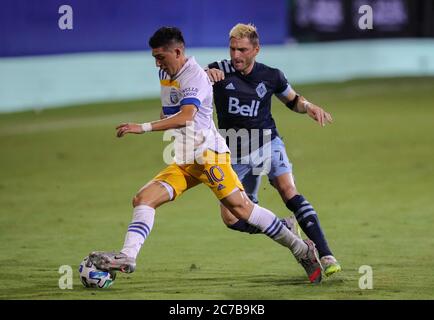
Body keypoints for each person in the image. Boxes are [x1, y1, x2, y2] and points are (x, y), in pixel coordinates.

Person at [89, 26, 323, 284]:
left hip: (209, 156)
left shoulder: (194, 77)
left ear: (177, 52)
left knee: (242, 210)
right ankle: (128, 256)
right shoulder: (166, 74)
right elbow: (170, 112)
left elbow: (187, 116)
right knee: (142, 199)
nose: (157, 62)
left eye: (161, 57)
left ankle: (303, 250)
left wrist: (142, 127)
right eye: (154, 57)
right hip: (186, 160)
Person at [205, 23, 341, 277]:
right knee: (232, 219)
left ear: (256, 49)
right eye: (233, 48)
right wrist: (203, 76)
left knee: (288, 191)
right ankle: (284, 227)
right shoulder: (218, 71)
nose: (236, 55)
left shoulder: (271, 76)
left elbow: (293, 100)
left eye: (242, 49)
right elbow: (194, 85)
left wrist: (308, 106)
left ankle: (326, 253)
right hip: (233, 153)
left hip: (268, 143)